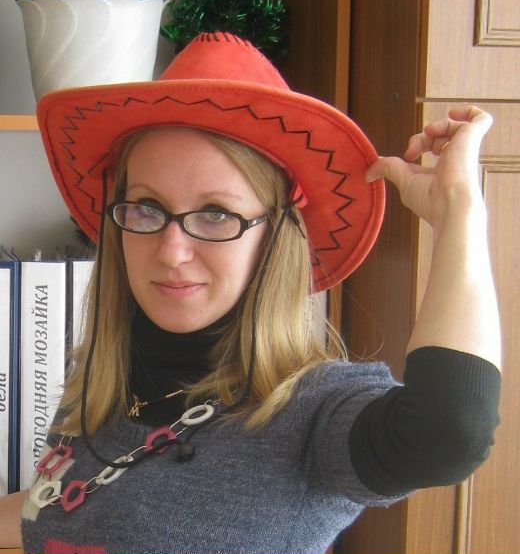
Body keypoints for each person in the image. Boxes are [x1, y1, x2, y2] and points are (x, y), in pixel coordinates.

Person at [0, 32, 501, 554]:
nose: (172, 251)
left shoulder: (312, 414)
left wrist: (459, 214)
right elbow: (73, 508)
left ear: (274, 237)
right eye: (147, 207)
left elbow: (452, 431)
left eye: (216, 214)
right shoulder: (100, 388)